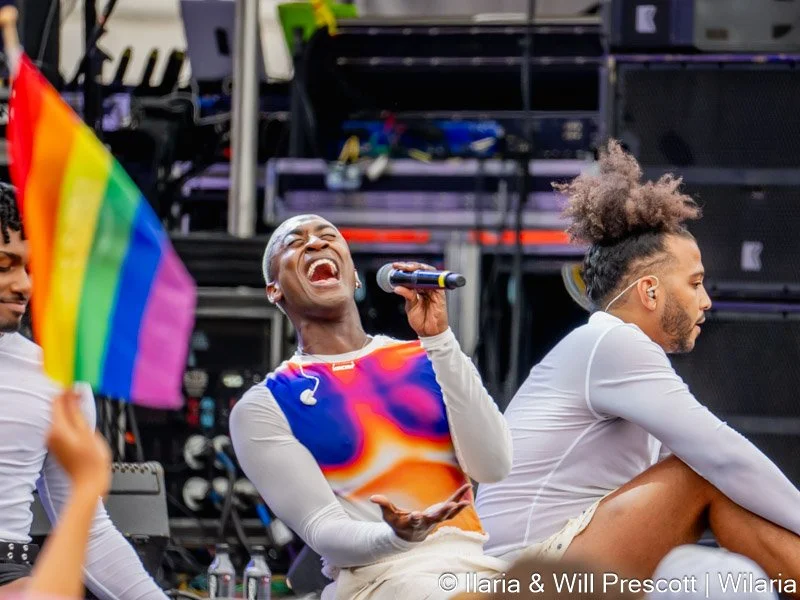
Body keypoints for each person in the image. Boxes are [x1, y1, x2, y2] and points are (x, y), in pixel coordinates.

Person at [474, 141, 800, 590]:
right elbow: (722, 456)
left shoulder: (612, 354)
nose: (706, 301)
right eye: (696, 283)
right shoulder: (610, 341)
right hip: (523, 574)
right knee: (700, 470)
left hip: (560, 563)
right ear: (649, 291)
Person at [230, 214, 513, 599]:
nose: (316, 243)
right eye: (295, 242)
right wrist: (395, 536)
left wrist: (440, 339)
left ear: (356, 278)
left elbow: (493, 465)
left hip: (474, 567)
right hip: (379, 582)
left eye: (328, 236)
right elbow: (323, 530)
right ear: (274, 290)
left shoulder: (428, 354)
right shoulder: (265, 405)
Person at [0, 183, 167, 598]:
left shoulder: (55, 379)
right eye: (6, 265)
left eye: (32, 268)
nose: (24, 286)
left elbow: (90, 534)